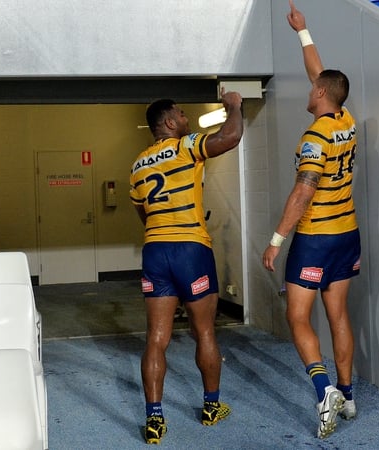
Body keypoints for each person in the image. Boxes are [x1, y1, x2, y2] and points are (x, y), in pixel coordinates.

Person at [262, 0, 360, 440]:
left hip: (316, 237)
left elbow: (303, 191)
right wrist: (303, 32)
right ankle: (348, 392)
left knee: (297, 316)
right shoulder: (345, 119)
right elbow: (321, 73)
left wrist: (277, 239)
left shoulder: (315, 136)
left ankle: (324, 392)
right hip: (348, 235)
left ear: (320, 94)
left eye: (312, 88)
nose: (308, 90)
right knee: (337, 314)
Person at [130, 90, 243, 445]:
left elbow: (142, 213)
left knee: (157, 338)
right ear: (168, 122)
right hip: (191, 248)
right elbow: (231, 136)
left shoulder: (137, 164)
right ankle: (211, 406)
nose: (185, 117)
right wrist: (234, 106)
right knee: (205, 331)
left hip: (155, 249)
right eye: (180, 114)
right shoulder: (185, 146)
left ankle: (154, 420)